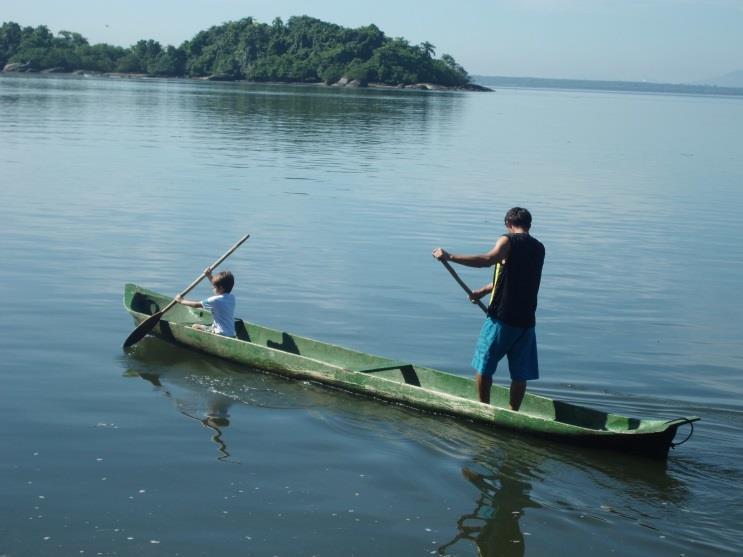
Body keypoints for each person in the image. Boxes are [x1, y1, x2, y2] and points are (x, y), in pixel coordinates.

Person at [432, 207, 545, 411]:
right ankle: (513, 413)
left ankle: (483, 410)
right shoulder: (539, 248)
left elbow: (487, 260)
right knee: (520, 374)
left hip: (502, 319)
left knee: (483, 365)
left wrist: (450, 256)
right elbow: (517, 278)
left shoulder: (507, 240)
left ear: (508, 224)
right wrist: (484, 290)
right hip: (527, 323)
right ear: (529, 225)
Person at [175, 268, 236, 337]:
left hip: (219, 333)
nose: (212, 288)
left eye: (213, 287)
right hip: (232, 334)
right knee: (208, 327)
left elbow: (196, 305)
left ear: (221, 288)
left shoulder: (215, 300)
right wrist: (209, 276)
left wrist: (181, 301)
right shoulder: (232, 298)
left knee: (195, 326)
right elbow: (218, 289)